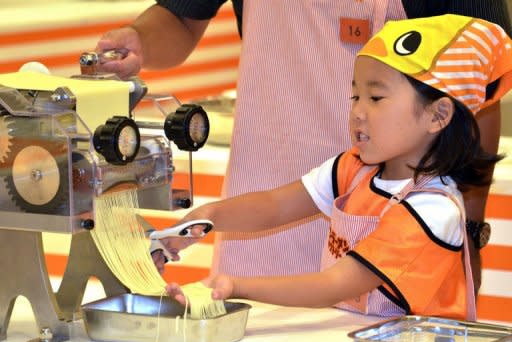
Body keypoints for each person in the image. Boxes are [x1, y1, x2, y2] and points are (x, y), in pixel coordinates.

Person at [95, 1, 511, 293]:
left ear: (438, 114)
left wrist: (471, 230)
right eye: (355, 96)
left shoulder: (430, 209)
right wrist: (205, 217)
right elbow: (275, 206)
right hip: (263, 186)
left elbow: (481, 89)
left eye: (377, 97)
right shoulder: (345, 170)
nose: (359, 115)